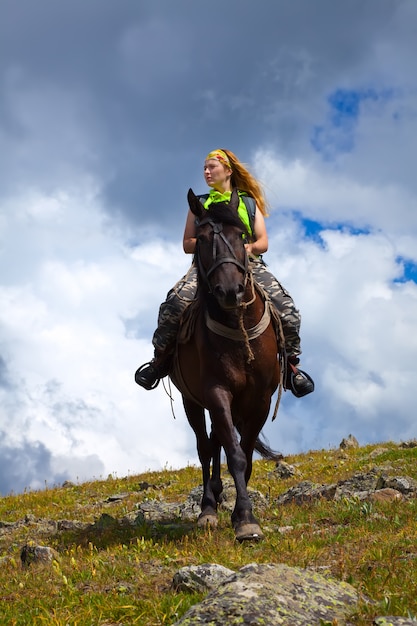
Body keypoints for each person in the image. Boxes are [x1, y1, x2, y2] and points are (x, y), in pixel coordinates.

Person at [135, 148, 314, 397]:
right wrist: (213, 245)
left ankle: (291, 367)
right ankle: (160, 361)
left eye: (212, 167)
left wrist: (243, 247)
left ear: (228, 170)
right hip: (208, 267)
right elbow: (188, 244)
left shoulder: (249, 202)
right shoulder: (200, 203)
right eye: (205, 169)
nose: (207, 172)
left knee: (287, 309)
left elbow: (262, 242)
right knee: (174, 304)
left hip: (248, 265)